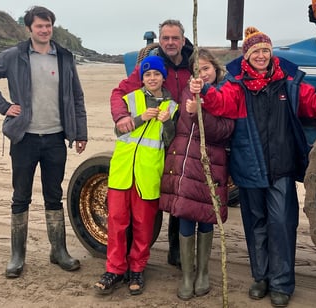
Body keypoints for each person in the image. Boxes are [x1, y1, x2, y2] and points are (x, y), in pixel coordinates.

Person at [189, 27, 316, 308]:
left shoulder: (288, 84)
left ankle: (282, 283)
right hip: (248, 166)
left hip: (281, 168)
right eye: (255, 51)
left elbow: (312, 103)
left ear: (271, 53)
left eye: (265, 51)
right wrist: (204, 89)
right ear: (247, 55)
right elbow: (220, 104)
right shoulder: (237, 86)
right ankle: (261, 278)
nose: (261, 56)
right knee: (255, 225)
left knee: (281, 224)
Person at [0, 6, 87, 278]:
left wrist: (80, 132)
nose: (44, 30)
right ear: (29, 29)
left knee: (53, 196)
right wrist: (5, 107)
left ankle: (58, 251)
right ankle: (17, 255)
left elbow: (77, 96)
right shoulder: (14, 56)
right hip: (24, 138)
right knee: (20, 197)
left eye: (48, 25)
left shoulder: (63, 56)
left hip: (55, 138)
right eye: (39, 26)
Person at [110, 18, 194, 267]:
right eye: (165, 38)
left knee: (182, 191)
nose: (170, 42)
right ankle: (128, 257)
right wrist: (122, 115)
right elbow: (119, 93)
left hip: (185, 134)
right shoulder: (151, 65)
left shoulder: (193, 63)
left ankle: (177, 249)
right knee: (148, 198)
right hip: (159, 136)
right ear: (160, 39)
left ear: (183, 39)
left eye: (174, 38)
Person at [94, 56, 179, 296]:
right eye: (147, 75)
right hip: (122, 173)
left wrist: (167, 123)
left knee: (143, 226)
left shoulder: (172, 107)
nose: (152, 79)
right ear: (141, 78)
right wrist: (142, 118)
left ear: (163, 77)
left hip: (148, 174)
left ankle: (137, 269)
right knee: (117, 223)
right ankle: (114, 269)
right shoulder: (130, 99)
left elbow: (171, 142)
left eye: (156, 74)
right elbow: (118, 130)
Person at [160, 48, 234, 300]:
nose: (202, 74)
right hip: (183, 162)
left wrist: (199, 111)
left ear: (215, 69)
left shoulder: (226, 92)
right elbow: (179, 123)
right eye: (197, 70)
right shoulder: (186, 91)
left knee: (205, 215)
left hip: (209, 162)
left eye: (206, 69)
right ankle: (187, 275)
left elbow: (224, 131)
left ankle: (202, 272)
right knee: (184, 216)